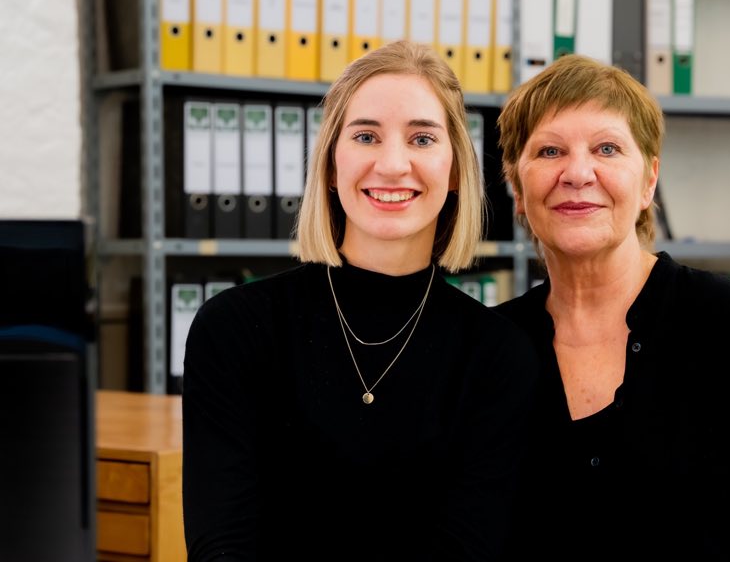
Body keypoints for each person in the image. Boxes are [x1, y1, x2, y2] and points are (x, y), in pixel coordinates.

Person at [182, 40, 539, 561]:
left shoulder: (499, 356)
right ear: (330, 165)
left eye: (422, 138)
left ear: (456, 170)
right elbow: (222, 545)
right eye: (366, 135)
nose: (393, 165)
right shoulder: (235, 329)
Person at [494, 54, 730, 560]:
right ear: (515, 186)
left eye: (607, 148)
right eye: (550, 151)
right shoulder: (492, 347)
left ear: (648, 181)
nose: (578, 173)